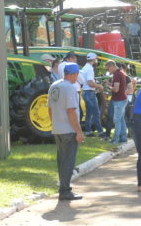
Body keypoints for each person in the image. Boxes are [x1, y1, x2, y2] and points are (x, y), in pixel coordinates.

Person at [47, 63, 85, 201]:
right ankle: (65, 190)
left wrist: (55, 124)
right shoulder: (69, 87)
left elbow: (50, 109)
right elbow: (71, 111)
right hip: (68, 130)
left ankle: (63, 188)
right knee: (68, 162)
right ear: (74, 74)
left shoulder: (54, 85)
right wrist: (79, 131)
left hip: (57, 130)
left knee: (61, 161)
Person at [81, 53, 107, 139]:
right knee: (96, 113)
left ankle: (88, 131)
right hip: (90, 93)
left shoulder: (85, 67)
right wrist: (99, 86)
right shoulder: (90, 69)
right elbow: (90, 83)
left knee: (88, 113)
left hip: (85, 92)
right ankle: (100, 131)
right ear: (94, 59)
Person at [103, 60, 128, 145]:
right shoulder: (119, 73)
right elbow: (117, 86)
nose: (108, 71)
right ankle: (123, 137)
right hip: (123, 98)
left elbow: (116, 89)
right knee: (121, 119)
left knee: (117, 119)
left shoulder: (117, 74)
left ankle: (115, 139)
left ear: (111, 66)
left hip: (119, 100)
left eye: (108, 69)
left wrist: (109, 88)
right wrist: (109, 84)